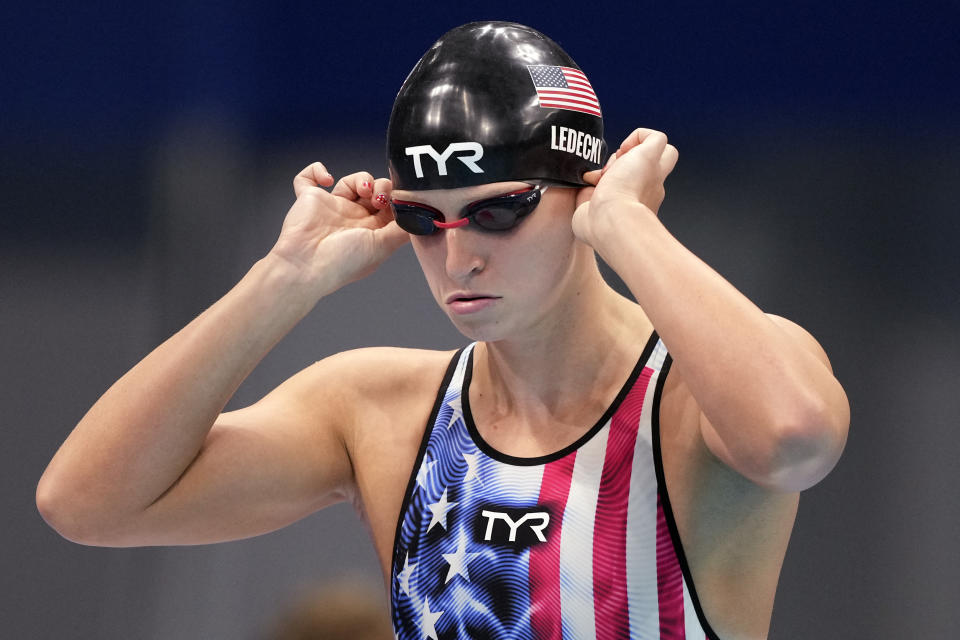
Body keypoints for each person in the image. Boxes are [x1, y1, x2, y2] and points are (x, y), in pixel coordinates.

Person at [36, 21, 849, 640]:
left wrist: (632, 230)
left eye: (498, 212)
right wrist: (281, 280)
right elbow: (86, 504)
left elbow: (795, 440)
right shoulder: (380, 412)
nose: (459, 257)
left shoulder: (696, 397)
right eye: (426, 220)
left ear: (584, 190)